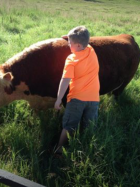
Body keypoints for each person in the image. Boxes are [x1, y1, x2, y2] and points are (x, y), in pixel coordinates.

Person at [54, 26, 100, 156]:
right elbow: (85, 40)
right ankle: (86, 149)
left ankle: (59, 149)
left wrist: (58, 100)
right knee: (89, 125)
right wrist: (71, 38)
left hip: (77, 99)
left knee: (69, 125)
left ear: (78, 45)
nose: (68, 44)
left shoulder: (71, 60)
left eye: (70, 43)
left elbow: (64, 81)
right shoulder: (91, 50)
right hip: (94, 99)